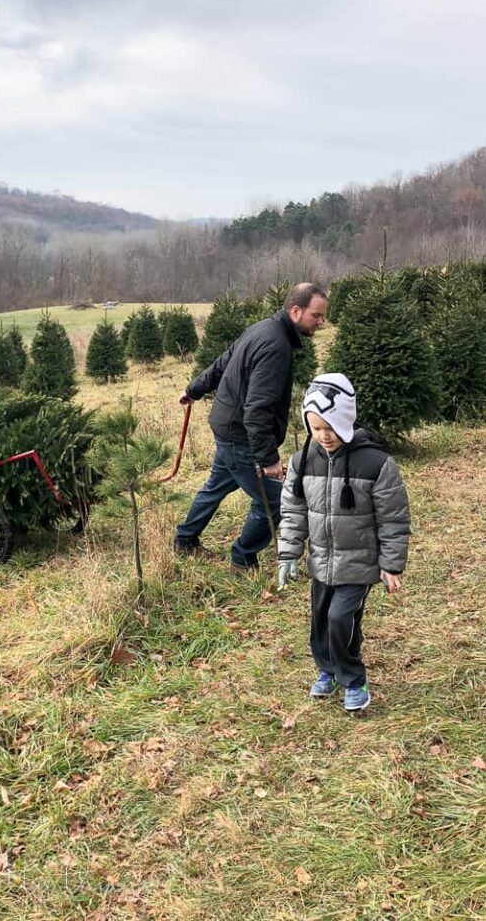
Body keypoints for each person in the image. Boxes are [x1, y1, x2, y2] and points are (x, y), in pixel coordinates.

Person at [277, 373, 410, 711]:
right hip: (321, 562)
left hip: (359, 564)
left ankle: (353, 679)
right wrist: (289, 552)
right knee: (320, 621)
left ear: (345, 420)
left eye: (330, 427)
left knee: (341, 619)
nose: (324, 436)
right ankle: (327, 669)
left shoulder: (376, 464)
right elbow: (293, 510)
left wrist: (391, 564)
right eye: (316, 428)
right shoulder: (301, 461)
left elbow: (393, 518)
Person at [173, 283, 328, 573]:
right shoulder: (276, 346)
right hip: (240, 436)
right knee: (273, 501)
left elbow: (222, 361)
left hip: (227, 426)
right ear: (295, 311)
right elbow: (257, 408)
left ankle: (185, 539)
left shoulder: (262, 328)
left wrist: (194, 390)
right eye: (316, 316)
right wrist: (268, 458)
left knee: (216, 486)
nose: (320, 322)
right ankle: (243, 559)